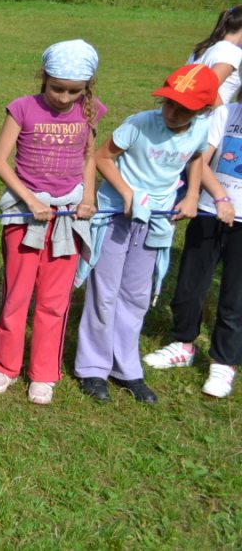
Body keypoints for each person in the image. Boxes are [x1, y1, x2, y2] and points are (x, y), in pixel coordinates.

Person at [74, 64, 219, 404]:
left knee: (136, 296)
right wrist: (126, 193)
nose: (171, 112)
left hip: (156, 220)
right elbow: (102, 157)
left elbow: (196, 158)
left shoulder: (200, 129)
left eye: (183, 109)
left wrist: (192, 195)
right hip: (117, 216)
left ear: (203, 110)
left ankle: (125, 367)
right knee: (105, 292)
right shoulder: (139, 124)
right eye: (168, 103)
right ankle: (93, 367)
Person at [0, 40, 106, 405]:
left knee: (54, 300)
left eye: (74, 91)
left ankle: (43, 373)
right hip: (25, 217)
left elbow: (88, 158)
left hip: (67, 219)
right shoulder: (22, 108)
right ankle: (5, 365)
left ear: (86, 88)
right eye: (57, 88)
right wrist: (31, 200)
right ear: (44, 77)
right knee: (17, 294)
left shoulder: (89, 111)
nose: (64, 97)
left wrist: (88, 198)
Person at [142, 103, 238, 397]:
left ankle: (224, 362)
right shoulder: (227, 113)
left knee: (235, 297)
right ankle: (183, 344)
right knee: (189, 287)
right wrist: (220, 199)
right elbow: (201, 160)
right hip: (209, 213)